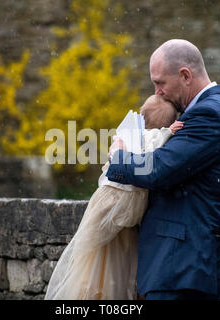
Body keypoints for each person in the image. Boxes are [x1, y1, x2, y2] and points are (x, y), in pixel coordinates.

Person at [106, 39, 220, 300]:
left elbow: (157, 169)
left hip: (183, 267)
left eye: (160, 83)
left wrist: (118, 157)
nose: (157, 92)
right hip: (181, 266)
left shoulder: (211, 115)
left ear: (185, 75)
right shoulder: (210, 111)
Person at [44, 95, 184, 300]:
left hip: (108, 197)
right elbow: (155, 147)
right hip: (119, 200)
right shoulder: (149, 137)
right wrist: (169, 132)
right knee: (110, 261)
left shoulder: (127, 136)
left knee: (98, 259)